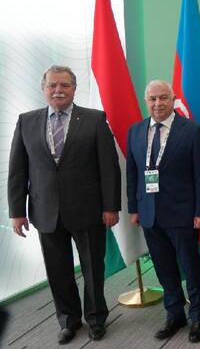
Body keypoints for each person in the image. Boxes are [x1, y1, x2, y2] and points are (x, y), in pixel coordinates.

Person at [7, 65, 120, 345]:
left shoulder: (94, 120)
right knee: (58, 271)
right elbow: (18, 171)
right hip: (45, 211)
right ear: (44, 89)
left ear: (74, 89)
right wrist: (17, 212)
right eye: (52, 85)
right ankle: (68, 320)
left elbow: (109, 168)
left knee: (93, 269)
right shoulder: (26, 121)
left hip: (88, 210)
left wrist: (111, 207)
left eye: (65, 85)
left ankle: (96, 318)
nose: (58, 90)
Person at [126, 80, 200, 343]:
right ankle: (174, 314)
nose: (158, 103)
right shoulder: (136, 131)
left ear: (173, 99)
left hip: (183, 213)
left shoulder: (192, 131)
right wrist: (134, 208)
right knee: (164, 268)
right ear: (146, 101)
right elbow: (132, 173)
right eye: (152, 99)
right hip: (149, 213)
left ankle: (198, 317)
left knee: (190, 267)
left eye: (163, 97)